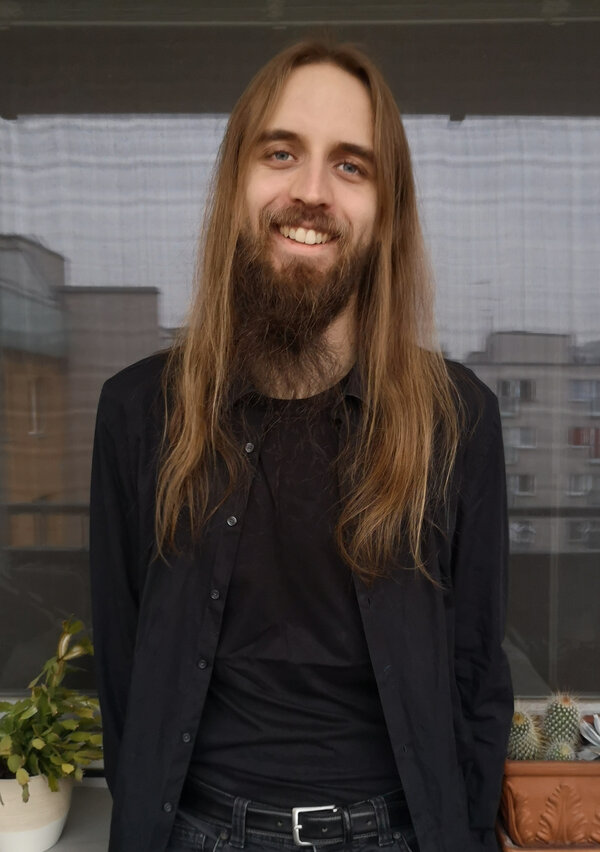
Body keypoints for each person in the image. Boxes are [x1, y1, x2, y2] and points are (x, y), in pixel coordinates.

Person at [90, 39, 513, 852]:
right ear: (237, 183)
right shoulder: (138, 412)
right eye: (281, 153)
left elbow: (476, 683)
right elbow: (123, 675)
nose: (311, 191)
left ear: (387, 212)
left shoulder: (458, 420)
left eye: (351, 166)